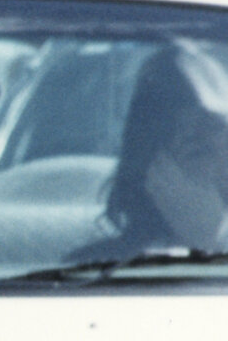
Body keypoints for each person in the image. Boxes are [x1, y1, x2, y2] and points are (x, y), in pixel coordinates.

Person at [83, 42, 228, 260]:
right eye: (171, 123)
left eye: (211, 123)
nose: (191, 133)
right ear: (148, 153)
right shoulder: (88, 274)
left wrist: (214, 239)